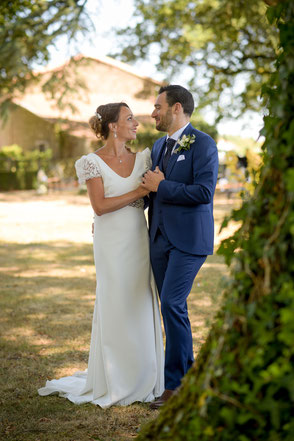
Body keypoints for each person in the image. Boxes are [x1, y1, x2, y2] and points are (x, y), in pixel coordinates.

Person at [38, 102, 164, 408]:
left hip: (137, 236)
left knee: (140, 299)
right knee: (116, 300)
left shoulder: (143, 158)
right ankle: (116, 377)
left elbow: (151, 199)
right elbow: (101, 207)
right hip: (110, 240)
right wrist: (141, 192)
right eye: (129, 118)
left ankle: (145, 374)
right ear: (112, 126)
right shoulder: (92, 162)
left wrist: (146, 193)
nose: (136, 123)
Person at [141, 85, 219, 409]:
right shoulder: (158, 146)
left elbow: (204, 192)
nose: (153, 113)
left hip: (189, 240)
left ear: (176, 108)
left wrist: (163, 186)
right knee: (174, 309)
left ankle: (174, 387)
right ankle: (188, 378)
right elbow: (149, 192)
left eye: (157, 106)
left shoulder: (203, 143)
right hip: (159, 239)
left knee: (171, 304)